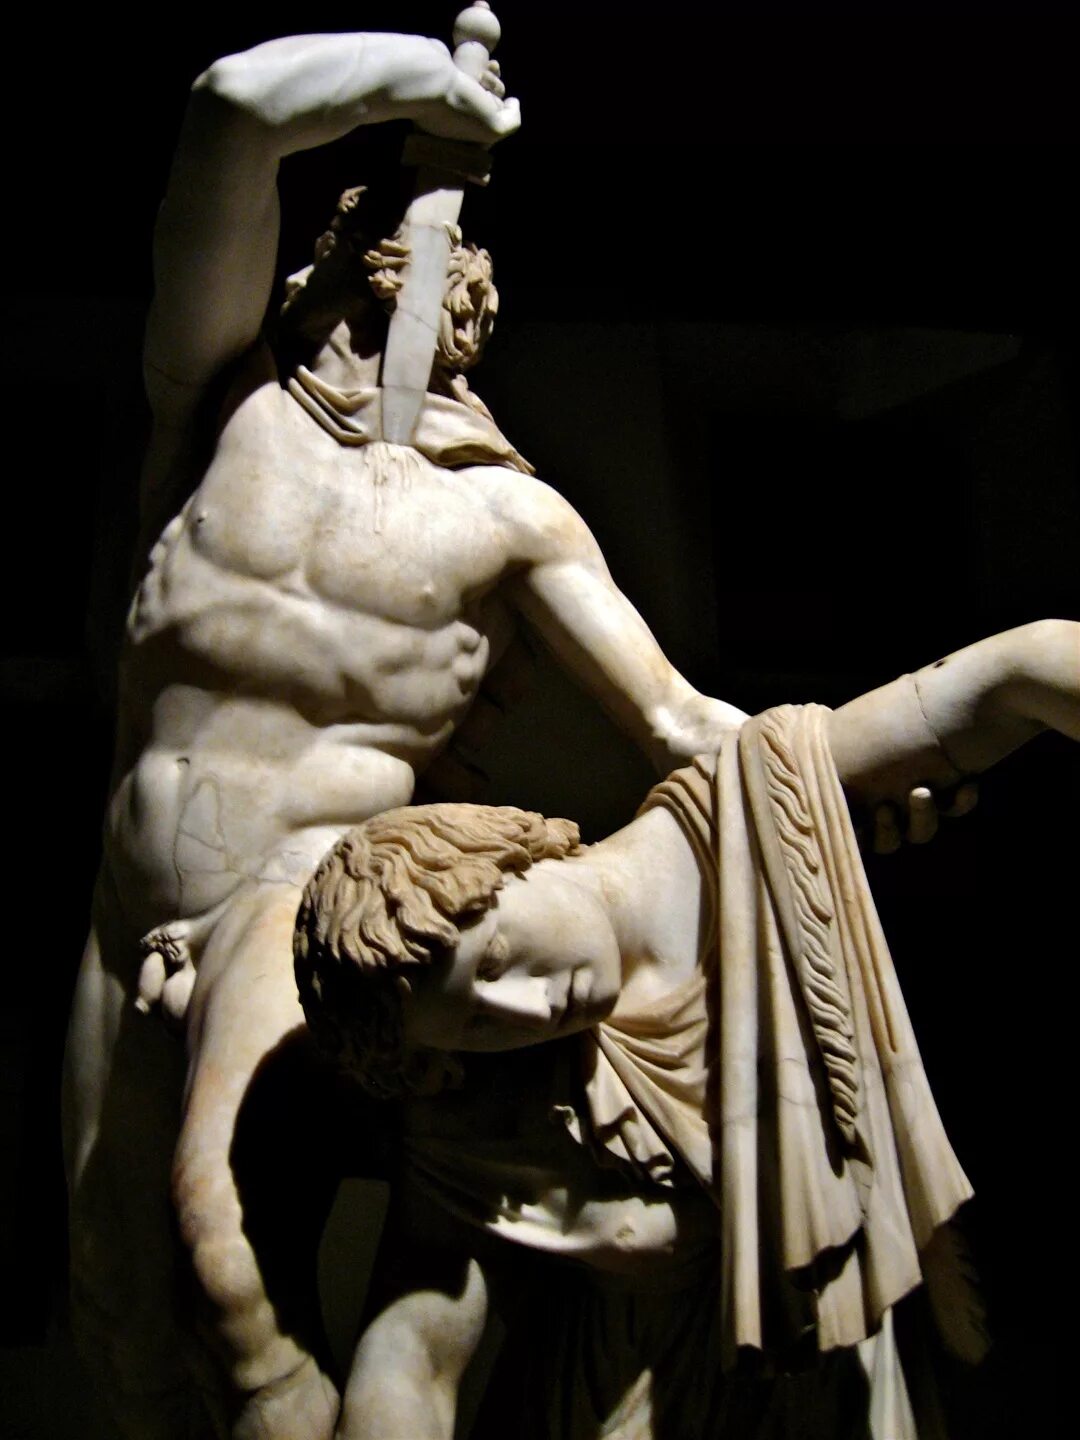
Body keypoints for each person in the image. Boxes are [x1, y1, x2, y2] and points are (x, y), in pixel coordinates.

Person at [61, 29, 761, 1440]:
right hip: (126, 917)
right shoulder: (223, 403)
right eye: (368, 270)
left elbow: (679, 718)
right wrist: (415, 88)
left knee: (236, 1289)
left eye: (443, 296)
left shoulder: (510, 515)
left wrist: (836, 779)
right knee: (124, 1323)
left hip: (307, 918)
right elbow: (230, 108)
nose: (403, 307)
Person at [293, 620, 1080, 1440]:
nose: (530, 1008)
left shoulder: (753, 815)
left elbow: (1022, 670)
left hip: (837, 1393)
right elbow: (412, 1351)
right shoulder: (486, 1110)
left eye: (495, 959)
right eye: (479, 1026)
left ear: (511, 858)